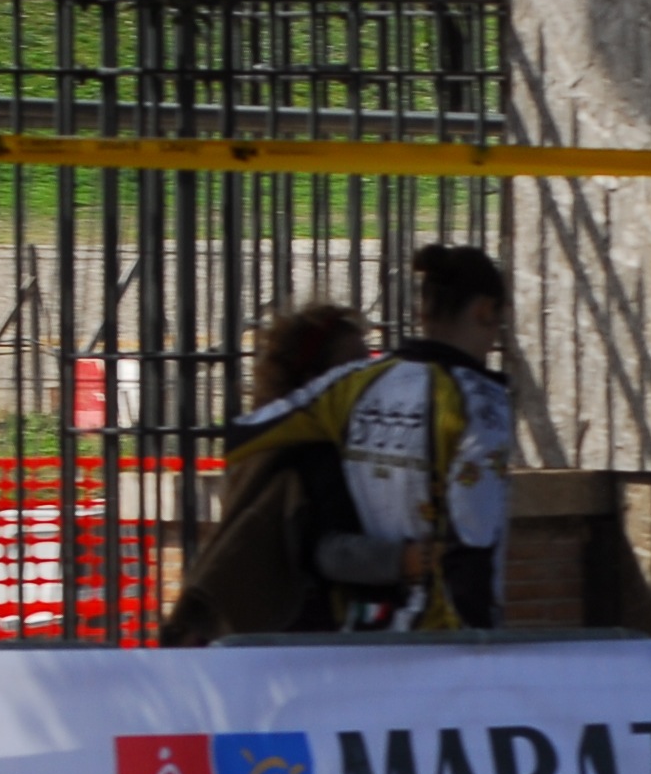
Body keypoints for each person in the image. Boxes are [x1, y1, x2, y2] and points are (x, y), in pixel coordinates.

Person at [197, 243, 516, 635]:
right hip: (437, 637)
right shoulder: (480, 403)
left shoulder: (354, 386)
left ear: (422, 310)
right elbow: (474, 541)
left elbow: (242, 435)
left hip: (360, 636)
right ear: (486, 310)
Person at [157, 301, 372, 646]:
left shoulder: (267, 444)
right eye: (355, 370)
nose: (369, 381)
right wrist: (404, 562)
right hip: (303, 635)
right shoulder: (311, 452)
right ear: (316, 381)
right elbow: (329, 552)